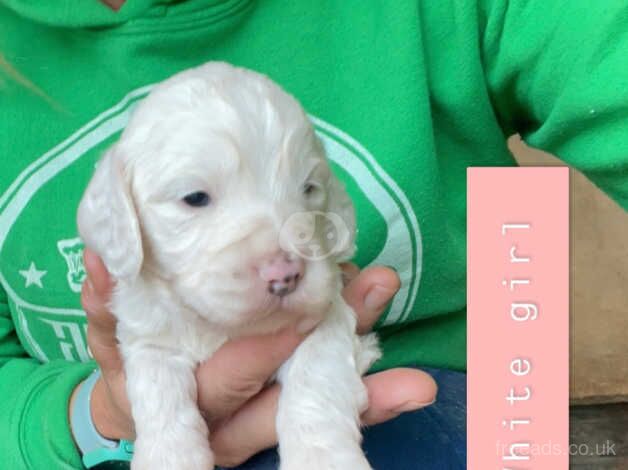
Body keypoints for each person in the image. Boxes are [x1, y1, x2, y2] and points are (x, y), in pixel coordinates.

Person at [0, 1, 626, 469]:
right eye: (195, 199)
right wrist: (94, 419)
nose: (281, 260)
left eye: (304, 191)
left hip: (451, 391)